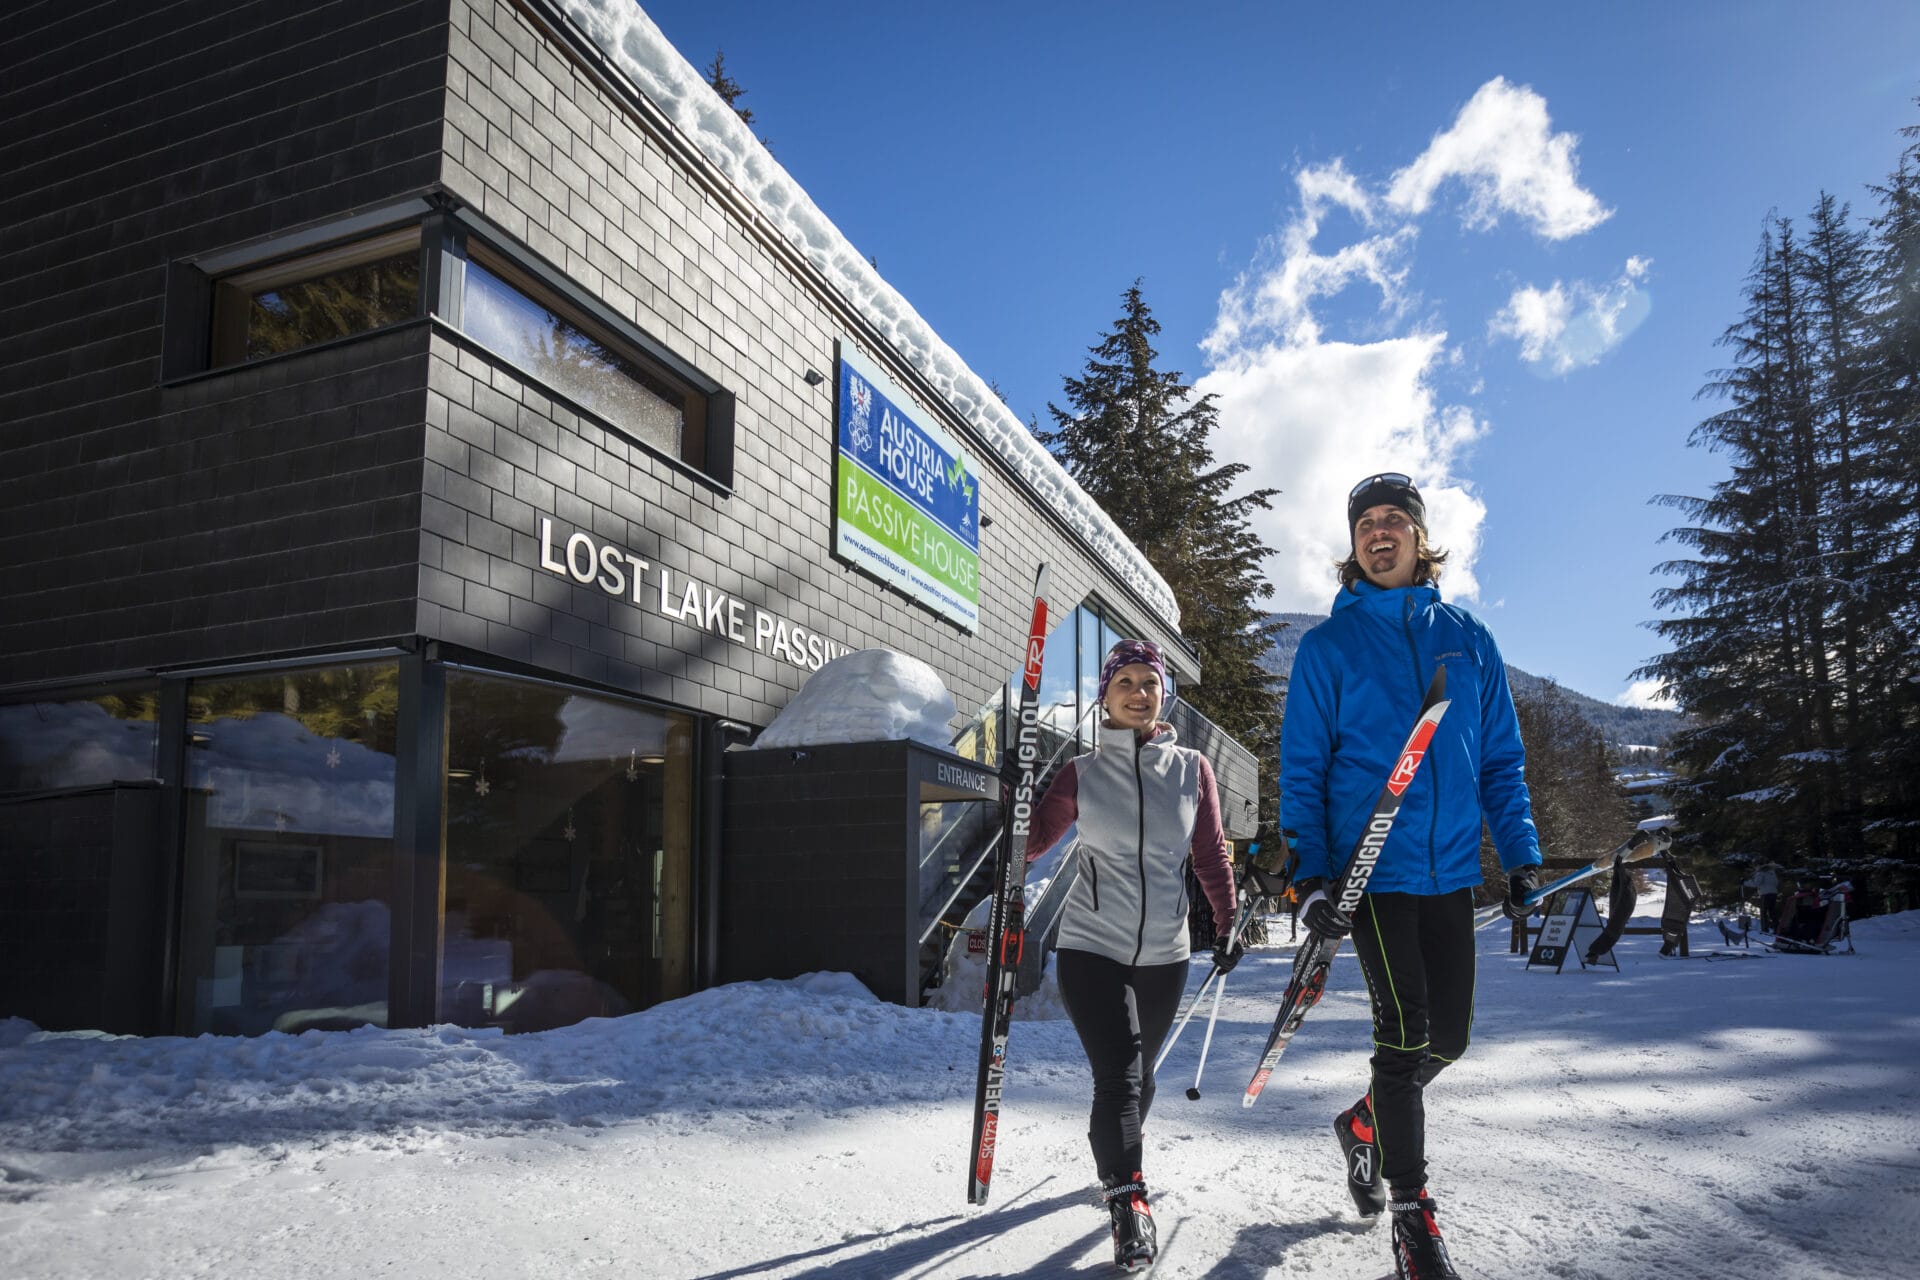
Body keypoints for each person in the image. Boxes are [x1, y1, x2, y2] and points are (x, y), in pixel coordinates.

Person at [1280, 473, 1544, 1280]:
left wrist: (1521, 855)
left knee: (1449, 1038)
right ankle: (1411, 1213)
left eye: (1395, 518)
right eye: (1366, 522)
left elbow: (1500, 760)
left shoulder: (1468, 638)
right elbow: (1303, 770)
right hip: (1371, 871)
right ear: (1354, 544)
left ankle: (1367, 1123)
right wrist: (1310, 875)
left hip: (1450, 869)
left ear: (1420, 537)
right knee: (1401, 1032)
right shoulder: (1328, 648)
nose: (1379, 531)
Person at [1025, 638, 1238, 1273]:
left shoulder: (1193, 769)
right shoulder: (1081, 772)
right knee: (1118, 1075)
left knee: (1140, 1078)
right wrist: (1011, 800)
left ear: (1163, 694)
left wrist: (1228, 921)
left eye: (1150, 682)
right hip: (1091, 944)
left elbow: (1210, 854)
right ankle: (1128, 1199)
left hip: (1165, 952)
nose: (1139, 693)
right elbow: (1032, 843)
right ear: (1105, 696)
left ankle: (1115, 1157)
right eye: (1126, 682)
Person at [1745, 862, 1781, 932]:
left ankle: (1764, 929)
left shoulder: (1761, 872)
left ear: (1758, 865)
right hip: (1774, 893)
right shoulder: (1772, 872)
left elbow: (1756, 883)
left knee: (1763, 912)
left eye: (1755, 866)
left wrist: (1745, 883)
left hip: (1765, 894)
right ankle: (1777, 928)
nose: (1755, 868)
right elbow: (1776, 882)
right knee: (1772, 911)